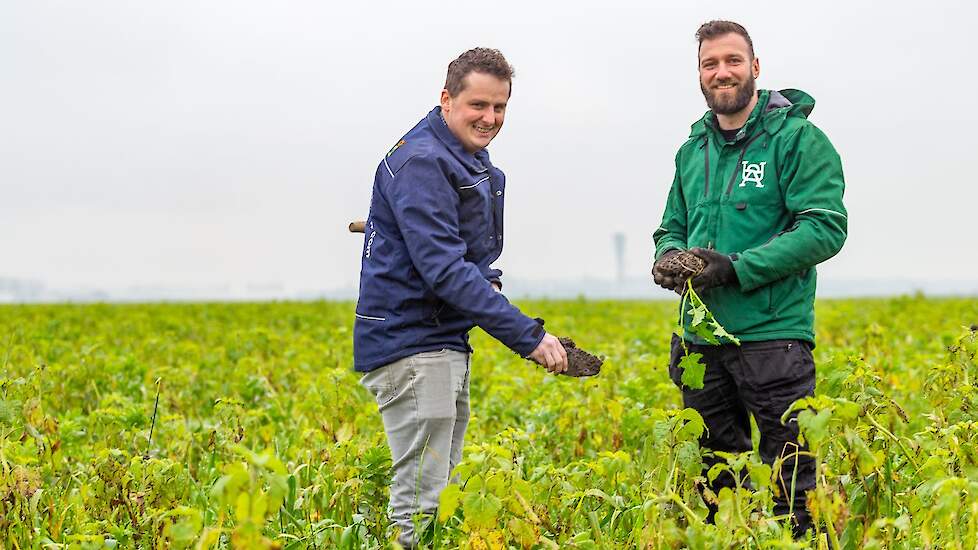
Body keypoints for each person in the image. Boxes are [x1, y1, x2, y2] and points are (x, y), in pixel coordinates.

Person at [353, 47, 568, 548]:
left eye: (500, 108)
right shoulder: (424, 162)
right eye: (478, 105)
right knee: (422, 497)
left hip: (439, 341)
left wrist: (486, 278)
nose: (489, 118)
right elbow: (445, 270)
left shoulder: (462, 157)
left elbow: (463, 253)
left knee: (437, 488)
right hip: (412, 345)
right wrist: (529, 337)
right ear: (447, 100)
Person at [652, 20, 847, 538]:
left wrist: (735, 268)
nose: (722, 72)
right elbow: (671, 225)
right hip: (699, 341)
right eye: (710, 64)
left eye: (733, 61)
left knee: (792, 486)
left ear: (755, 68)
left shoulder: (798, 140)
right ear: (699, 74)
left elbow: (824, 228)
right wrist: (669, 257)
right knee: (716, 484)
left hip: (771, 339)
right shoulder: (692, 151)